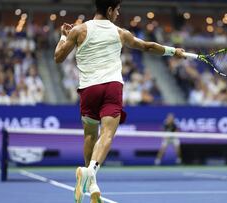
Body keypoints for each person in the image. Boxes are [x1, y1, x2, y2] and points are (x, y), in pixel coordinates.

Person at [53, 0, 185, 202]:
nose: (118, 13)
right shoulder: (120, 32)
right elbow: (147, 47)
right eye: (117, 10)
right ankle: (90, 173)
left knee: (90, 135)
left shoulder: (79, 30)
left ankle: (93, 182)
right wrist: (173, 51)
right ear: (109, 10)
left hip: (89, 89)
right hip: (112, 87)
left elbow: (58, 57)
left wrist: (63, 35)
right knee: (106, 134)